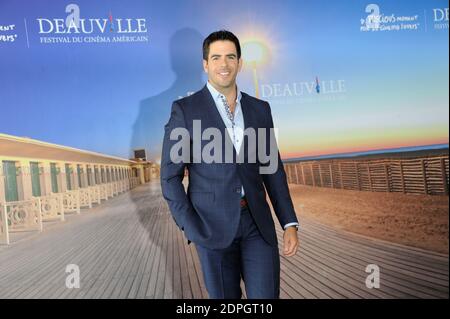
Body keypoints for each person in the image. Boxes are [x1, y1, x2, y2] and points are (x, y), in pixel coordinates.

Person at [161, 30, 299, 299]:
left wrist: (289, 222)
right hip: (211, 228)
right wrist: (191, 226)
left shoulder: (260, 109)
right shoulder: (185, 110)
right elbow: (170, 177)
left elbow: (272, 170)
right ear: (205, 64)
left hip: (257, 225)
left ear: (240, 62)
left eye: (230, 57)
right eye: (216, 58)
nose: (223, 64)